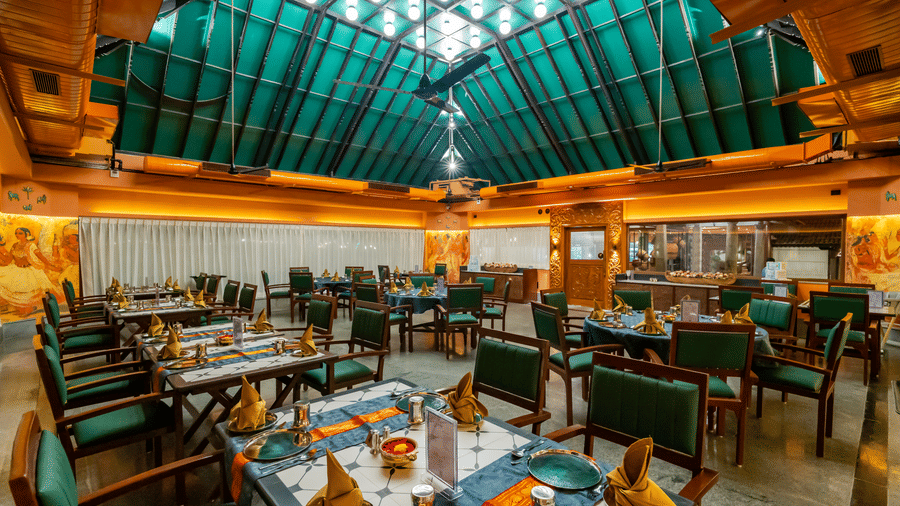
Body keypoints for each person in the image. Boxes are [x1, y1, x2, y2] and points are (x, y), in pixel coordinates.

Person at [0, 227, 60, 316]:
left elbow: (41, 257)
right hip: (16, 270)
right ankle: (21, 308)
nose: (17, 235)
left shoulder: (31, 245)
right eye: (16, 233)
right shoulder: (15, 245)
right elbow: (8, 260)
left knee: (27, 293)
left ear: (27, 234)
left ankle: (28, 309)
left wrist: (50, 265)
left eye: (20, 233)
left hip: (28, 272)